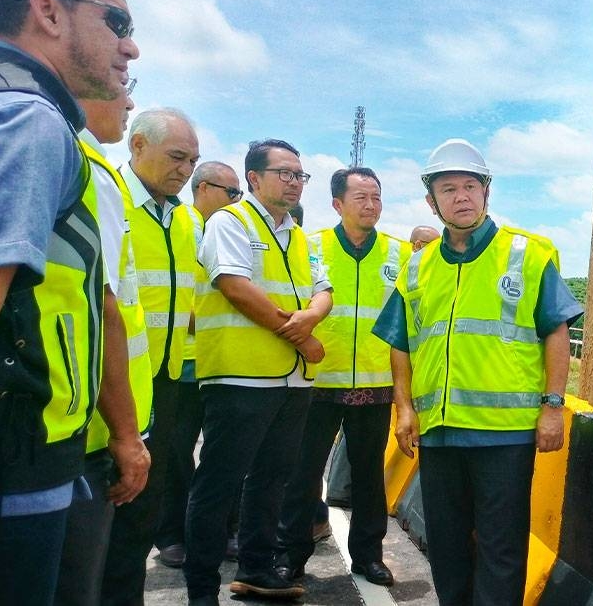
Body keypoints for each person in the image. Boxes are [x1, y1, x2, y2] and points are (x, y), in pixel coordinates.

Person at [0, 0, 143, 603]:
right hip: (10, 470)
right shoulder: (30, 121)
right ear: (46, 11)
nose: (130, 49)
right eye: (118, 23)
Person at [372, 139, 583, 605]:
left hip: (504, 436)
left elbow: (556, 332)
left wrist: (553, 406)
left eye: (470, 186)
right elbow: (401, 343)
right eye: (449, 189)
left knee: (500, 547)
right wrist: (404, 408)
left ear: (487, 192)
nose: (461, 196)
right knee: (446, 547)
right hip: (441, 432)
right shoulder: (417, 267)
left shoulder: (525, 255)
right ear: (432, 201)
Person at [184, 139, 332, 605]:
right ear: (254, 178)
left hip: (290, 381)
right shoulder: (230, 222)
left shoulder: (298, 236)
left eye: (299, 175)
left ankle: (257, 569)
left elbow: (323, 289)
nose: (294, 182)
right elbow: (234, 287)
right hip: (239, 378)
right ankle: (202, 588)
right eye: (285, 173)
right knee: (218, 484)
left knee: (272, 479)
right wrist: (302, 334)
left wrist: (313, 315)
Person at [276, 167, 411, 586]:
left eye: (376, 197)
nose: (370, 205)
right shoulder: (309, 247)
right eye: (360, 198)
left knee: (369, 474)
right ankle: (290, 553)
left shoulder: (400, 254)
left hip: (375, 384)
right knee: (303, 472)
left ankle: (369, 556)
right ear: (337, 204)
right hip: (317, 382)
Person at [53, 77, 154, 606]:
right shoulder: (90, 172)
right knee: (85, 582)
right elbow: (105, 308)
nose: (131, 101)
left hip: (100, 420)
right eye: (120, 86)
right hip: (90, 430)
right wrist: (126, 434)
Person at [101, 107, 200, 604]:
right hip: (108, 386)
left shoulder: (184, 219)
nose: (185, 170)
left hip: (165, 385)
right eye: (177, 157)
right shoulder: (108, 199)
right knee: (103, 520)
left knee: (141, 517)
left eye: (192, 161)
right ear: (137, 146)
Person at [155, 161, 243, 569]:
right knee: (175, 453)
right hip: (185, 364)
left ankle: (220, 530)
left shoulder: (228, 230)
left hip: (222, 361)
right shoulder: (184, 225)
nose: (236, 201)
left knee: (224, 455)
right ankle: (173, 534)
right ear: (204, 188)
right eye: (232, 193)